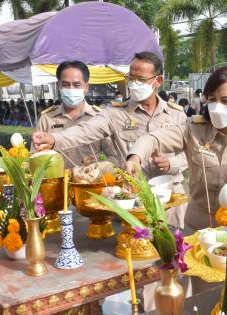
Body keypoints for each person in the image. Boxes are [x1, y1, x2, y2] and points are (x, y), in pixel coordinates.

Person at [32, 51, 188, 228]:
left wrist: (171, 163)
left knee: (174, 248)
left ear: (157, 81)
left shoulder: (176, 114)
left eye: (141, 80)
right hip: (132, 199)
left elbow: (190, 154)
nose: (134, 84)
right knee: (133, 249)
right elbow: (86, 130)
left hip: (171, 196)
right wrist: (54, 139)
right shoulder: (115, 113)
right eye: (131, 77)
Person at [125, 65, 227, 230]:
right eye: (212, 99)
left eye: (226, 101)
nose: (217, 107)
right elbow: (154, 138)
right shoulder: (193, 129)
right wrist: (135, 157)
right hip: (198, 227)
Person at [34, 60, 113, 168]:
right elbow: (35, 157)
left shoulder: (99, 117)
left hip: (90, 182)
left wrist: (96, 168)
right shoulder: (46, 119)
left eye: (76, 85)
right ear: (58, 86)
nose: (71, 89)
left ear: (86, 88)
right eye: (65, 85)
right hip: (57, 183)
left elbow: (113, 156)